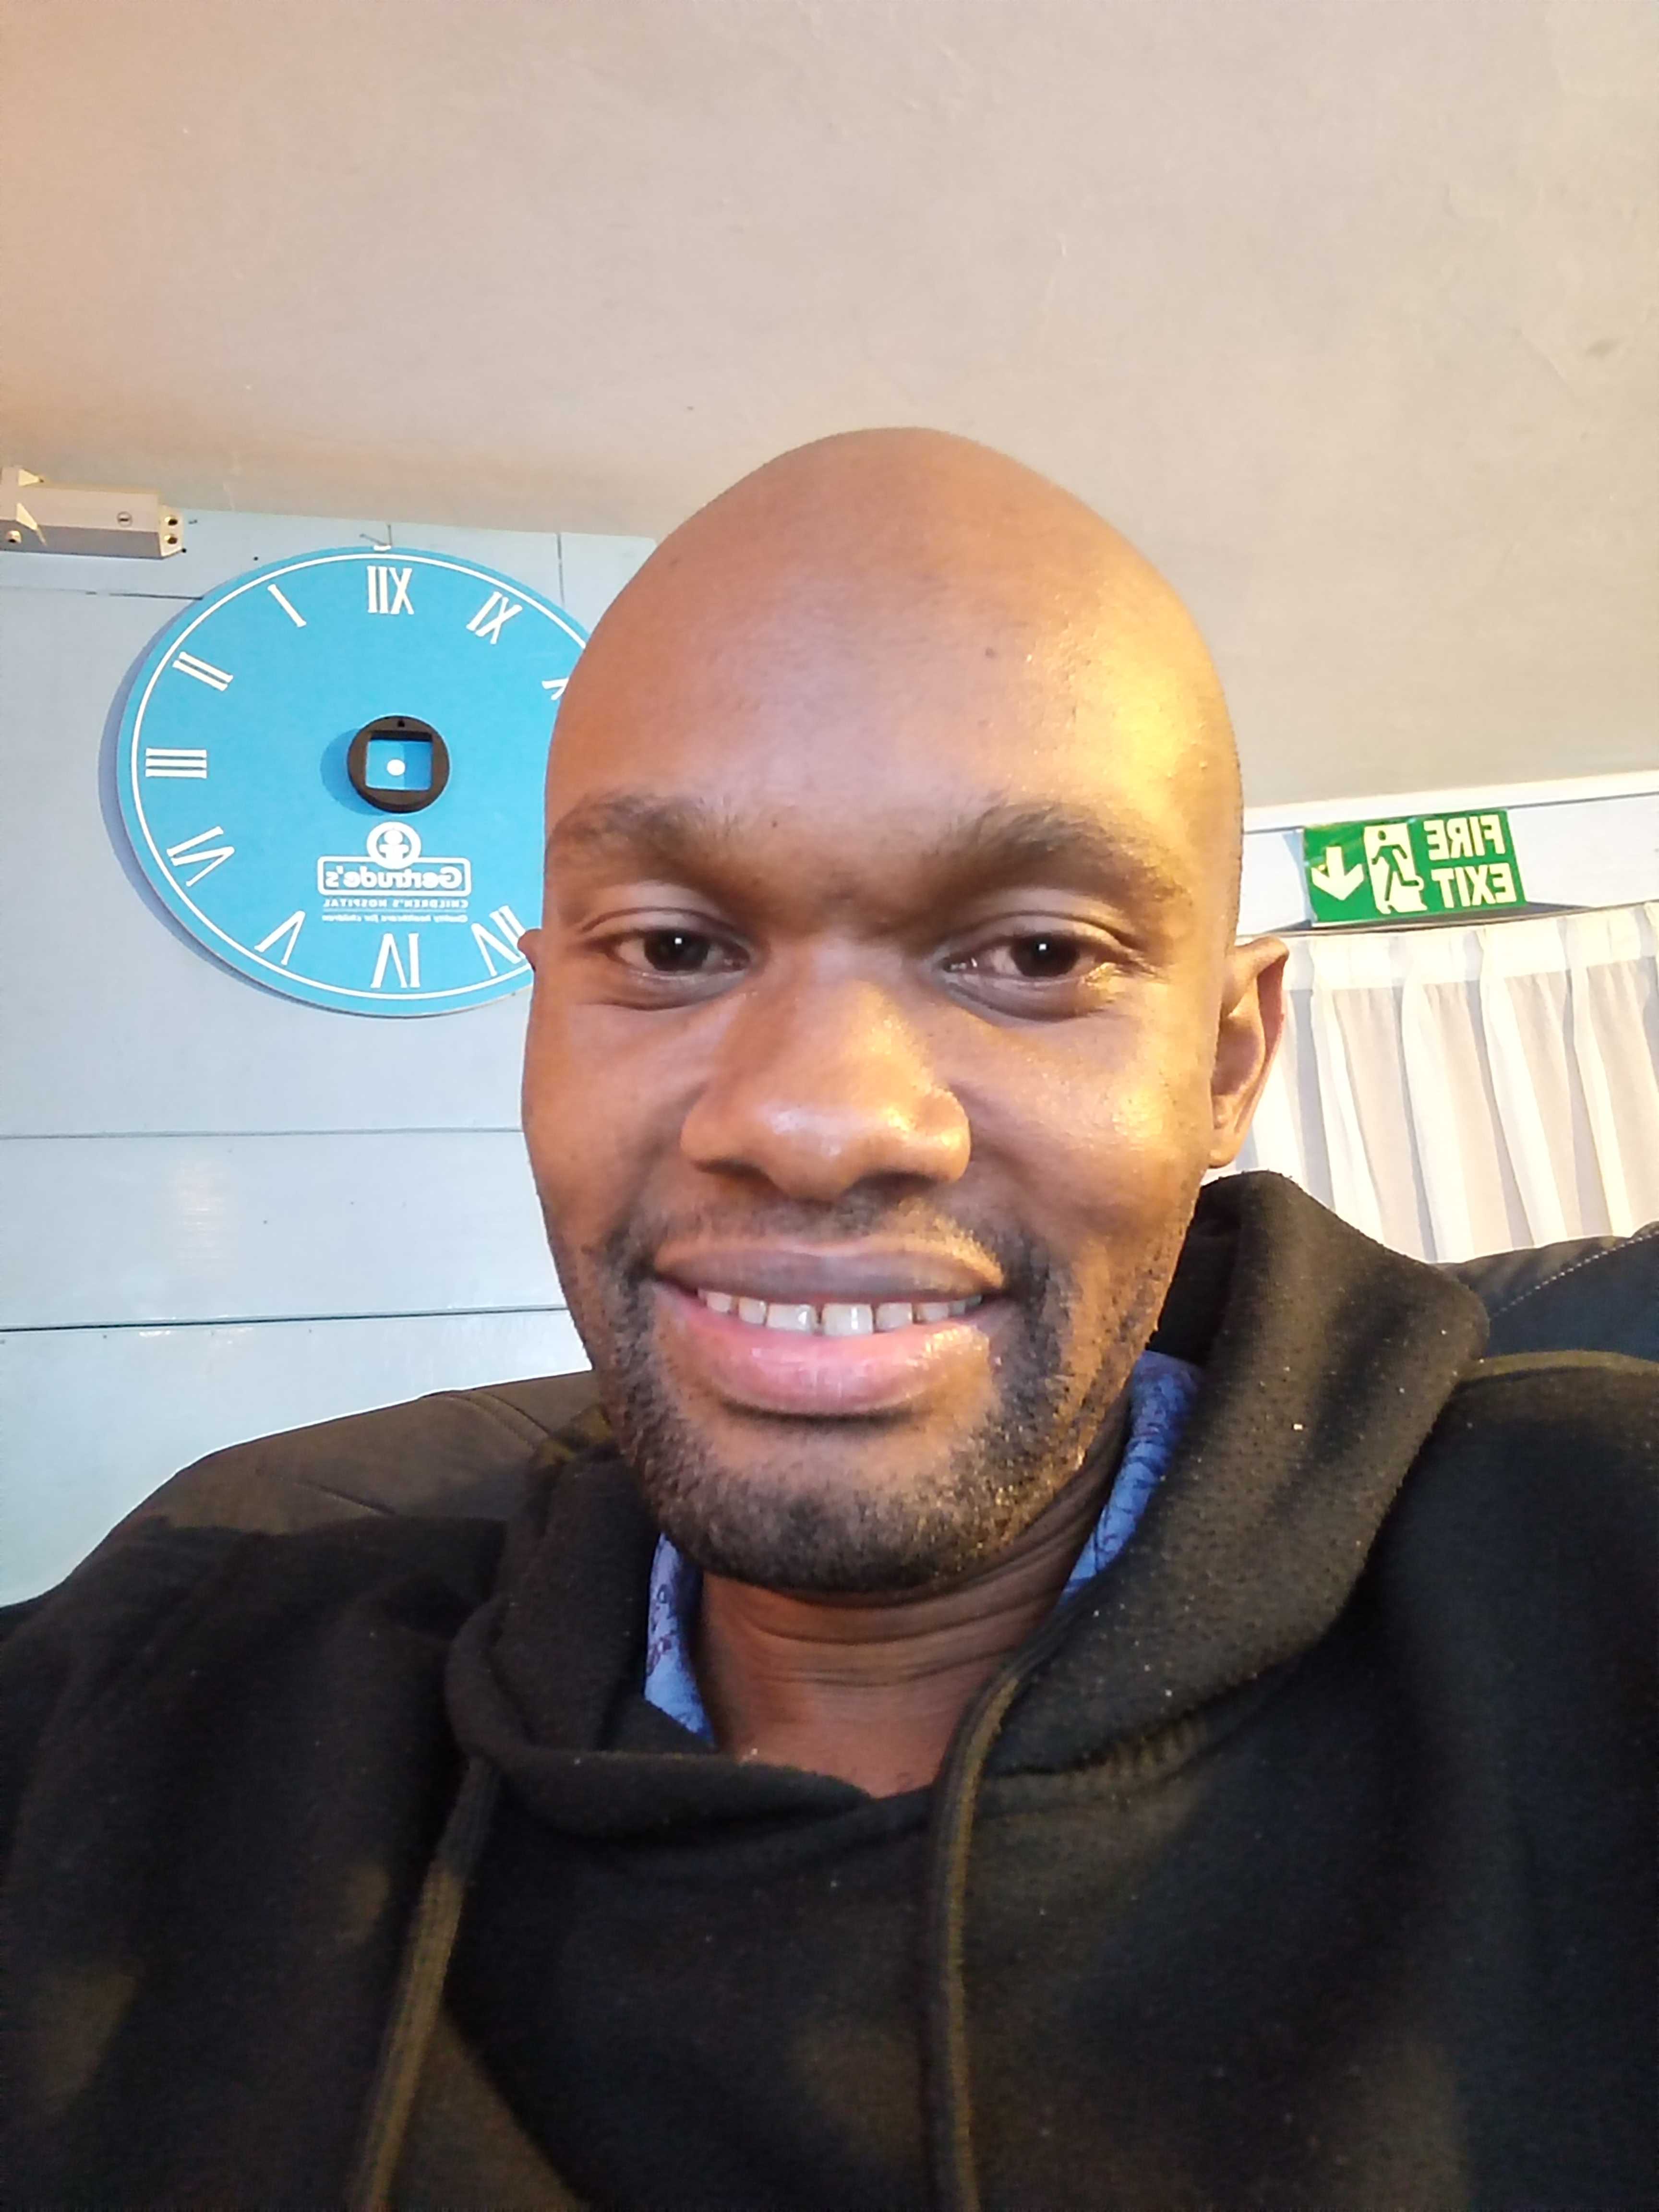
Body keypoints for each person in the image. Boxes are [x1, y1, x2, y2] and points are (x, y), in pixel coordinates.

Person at [2, 430, 1652, 2211]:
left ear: (1227, 1061)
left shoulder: (1602, 1585)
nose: (815, 1123)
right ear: (542, 1015)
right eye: (672, 948)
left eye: (1035, 955)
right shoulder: (159, 1720)